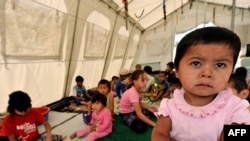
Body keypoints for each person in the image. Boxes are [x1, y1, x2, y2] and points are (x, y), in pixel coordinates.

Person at [151, 27, 250, 141]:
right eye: (196, 63)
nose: (207, 73)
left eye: (220, 65)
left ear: (231, 71)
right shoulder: (169, 106)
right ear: (177, 70)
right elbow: (158, 135)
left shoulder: (238, 108)